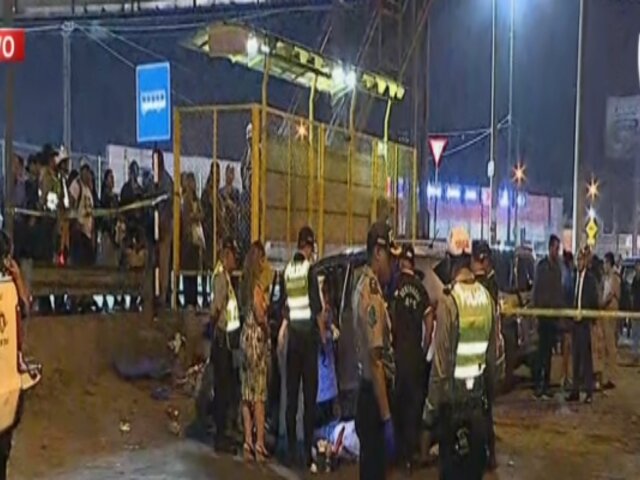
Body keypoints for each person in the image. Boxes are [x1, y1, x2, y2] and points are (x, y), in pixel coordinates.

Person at [426, 226, 496, 480]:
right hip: (478, 409)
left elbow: (440, 368)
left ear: (449, 260)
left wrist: (428, 416)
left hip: (452, 412)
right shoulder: (486, 298)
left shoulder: (449, 301)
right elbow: (493, 361)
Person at [353, 221, 397, 480]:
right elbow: (376, 360)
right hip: (374, 399)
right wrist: (386, 415)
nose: (393, 265)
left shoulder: (367, 286)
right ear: (378, 253)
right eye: (390, 257)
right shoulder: (371, 295)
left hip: (369, 396)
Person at [279, 226, 322, 470]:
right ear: (310, 246)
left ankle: (290, 451)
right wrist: (324, 335)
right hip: (308, 341)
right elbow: (316, 307)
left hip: (293, 339)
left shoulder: (287, 271)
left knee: (292, 396)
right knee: (309, 397)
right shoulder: (309, 271)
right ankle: (306, 453)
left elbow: (283, 306)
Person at [390, 243, 431, 473]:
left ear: (401, 262)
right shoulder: (420, 288)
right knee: (413, 406)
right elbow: (429, 320)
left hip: (398, 355)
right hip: (415, 356)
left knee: (398, 404)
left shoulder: (395, 285)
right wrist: (424, 347)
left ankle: (398, 455)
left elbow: (389, 318)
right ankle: (409, 456)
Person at [239, 241, 271, 463]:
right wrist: (268, 329)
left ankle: (247, 441)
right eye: (263, 259)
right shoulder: (257, 287)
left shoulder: (243, 285)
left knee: (246, 393)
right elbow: (260, 315)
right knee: (259, 395)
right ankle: (260, 443)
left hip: (245, 338)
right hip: (256, 341)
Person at [470, 239, 500, 471]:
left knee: (478, 410)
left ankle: (482, 455)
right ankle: (487, 454)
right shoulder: (489, 286)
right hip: (485, 358)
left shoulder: (479, 288)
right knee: (485, 409)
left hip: (476, 359)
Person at [210, 237, 241, 452]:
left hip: (226, 340)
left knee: (226, 388)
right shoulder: (221, 277)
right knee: (222, 389)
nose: (235, 260)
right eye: (233, 256)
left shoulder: (225, 277)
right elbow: (216, 308)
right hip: (222, 340)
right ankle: (220, 437)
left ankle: (224, 433)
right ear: (226, 255)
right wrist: (214, 328)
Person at [531, 234, 563, 399]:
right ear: (550, 248)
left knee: (549, 353)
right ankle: (538, 385)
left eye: (558, 249)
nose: (557, 252)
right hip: (543, 316)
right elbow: (536, 290)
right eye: (556, 248)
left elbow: (558, 291)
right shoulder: (542, 267)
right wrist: (536, 313)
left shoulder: (558, 268)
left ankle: (546, 385)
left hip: (553, 317)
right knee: (541, 353)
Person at [566, 248, 598, 404]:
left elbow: (593, 301)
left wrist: (589, 318)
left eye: (580, 259)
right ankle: (575, 391)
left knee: (586, 359)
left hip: (584, 324)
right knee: (576, 358)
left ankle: (589, 391)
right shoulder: (574, 278)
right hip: (575, 324)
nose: (578, 262)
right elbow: (570, 297)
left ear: (585, 261)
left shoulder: (590, 280)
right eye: (577, 259)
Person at [153, 150, 174, 308]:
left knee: (164, 263)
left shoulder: (166, 181)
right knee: (154, 263)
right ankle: (154, 293)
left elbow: (168, 206)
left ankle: (163, 295)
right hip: (152, 228)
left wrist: (163, 223)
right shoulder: (152, 180)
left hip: (164, 228)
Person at [181, 172, 204, 310]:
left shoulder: (197, 199)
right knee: (188, 269)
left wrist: (196, 215)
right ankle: (188, 298)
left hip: (196, 237)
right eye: (191, 182)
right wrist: (194, 216)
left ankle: (194, 299)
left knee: (195, 270)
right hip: (188, 238)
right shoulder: (185, 199)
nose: (193, 184)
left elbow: (201, 214)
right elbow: (186, 216)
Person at [601, 252, 620, 390]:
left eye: (605, 263)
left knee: (610, 346)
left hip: (610, 312)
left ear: (609, 263)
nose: (603, 266)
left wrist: (601, 304)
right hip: (605, 312)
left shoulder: (614, 277)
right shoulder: (607, 277)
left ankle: (612, 377)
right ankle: (607, 376)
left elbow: (612, 295)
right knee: (606, 346)